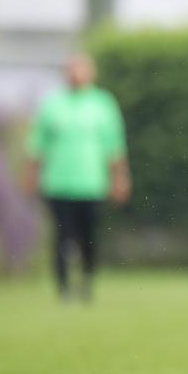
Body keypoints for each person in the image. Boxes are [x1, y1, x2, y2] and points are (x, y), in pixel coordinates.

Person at [26, 54, 131, 301]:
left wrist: (120, 178)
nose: (76, 75)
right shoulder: (52, 105)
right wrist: (31, 176)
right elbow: (37, 145)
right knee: (61, 237)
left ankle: (87, 281)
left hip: (91, 184)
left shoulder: (103, 104)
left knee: (88, 237)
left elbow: (114, 146)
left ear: (91, 73)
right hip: (59, 183)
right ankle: (62, 287)